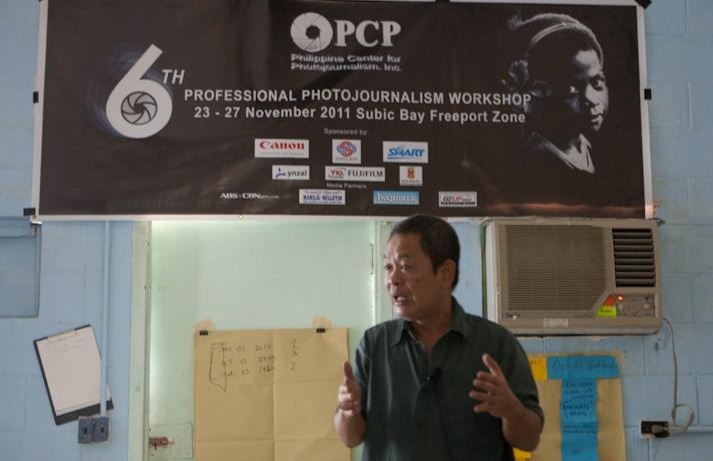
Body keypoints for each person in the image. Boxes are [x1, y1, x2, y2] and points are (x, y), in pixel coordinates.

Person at [334, 214, 543, 461]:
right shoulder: (374, 343)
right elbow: (350, 438)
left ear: (445, 273)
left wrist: (512, 410)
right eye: (388, 267)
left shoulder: (496, 344)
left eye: (405, 266)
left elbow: (529, 439)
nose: (393, 279)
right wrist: (348, 412)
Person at [505, 13, 608, 174]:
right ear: (538, 93)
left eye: (597, 83)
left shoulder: (587, 147)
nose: (592, 100)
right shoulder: (539, 164)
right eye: (571, 91)